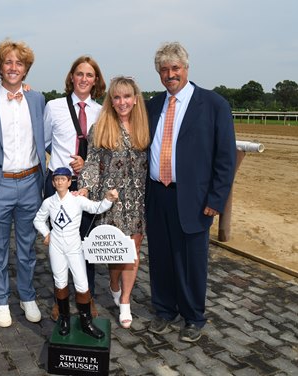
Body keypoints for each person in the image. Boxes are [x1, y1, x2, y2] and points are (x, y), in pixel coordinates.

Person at [146, 42, 236, 342]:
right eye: (164, 70)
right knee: (160, 257)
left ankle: (193, 317)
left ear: (186, 68)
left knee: (191, 261)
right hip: (157, 195)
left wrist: (216, 198)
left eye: (175, 68)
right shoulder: (152, 105)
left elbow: (225, 157)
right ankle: (164, 311)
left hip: (195, 199)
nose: (170, 74)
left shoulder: (213, 104)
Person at [0, 39, 46, 328]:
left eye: (19, 63)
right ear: (0, 67)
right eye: (8, 62)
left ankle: (27, 296)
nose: (14, 67)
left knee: (27, 247)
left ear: (26, 69)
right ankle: (1, 300)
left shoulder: (37, 100)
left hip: (30, 183)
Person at [78, 76, 150, 329]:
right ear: (111, 100)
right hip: (112, 199)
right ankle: (114, 284)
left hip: (138, 200)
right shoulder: (101, 128)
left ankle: (126, 302)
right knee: (117, 253)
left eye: (127, 96)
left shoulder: (145, 126)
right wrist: (85, 187)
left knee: (133, 253)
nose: (122, 102)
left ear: (135, 98)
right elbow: (91, 163)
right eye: (117, 97)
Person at [43, 56, 106, 320]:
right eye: (79, 74)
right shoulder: (54, 106)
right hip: (58, 185)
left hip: (86, 186)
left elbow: (103, 151)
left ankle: (86, 296)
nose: (83, 79)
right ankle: (61, 299)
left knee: (84, 245)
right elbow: (45, 142)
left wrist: (87, 163)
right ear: (71, 78)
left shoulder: (101, 112)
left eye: (89, 75)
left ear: (96, 80)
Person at [34, 167, 118, 338]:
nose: (59, 182)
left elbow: (96, 208)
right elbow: (38, 219)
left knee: (82, 283)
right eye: (56, 179)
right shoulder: (48, 202)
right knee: (60, 282)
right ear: (53, 182)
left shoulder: (77, 200)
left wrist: (108, 199)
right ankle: (64, 319)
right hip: (56, 246)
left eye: (63, 179)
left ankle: (86, 322)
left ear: (69, 181)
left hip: (74, 247)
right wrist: (46, 233)